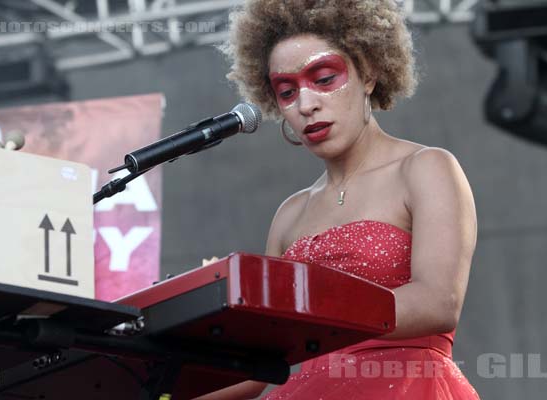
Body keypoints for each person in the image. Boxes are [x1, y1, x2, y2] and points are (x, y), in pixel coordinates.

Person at [196, 0, 479, 398]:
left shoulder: (426, 168)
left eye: (325, 78)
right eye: (287, 91)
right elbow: (260, 363)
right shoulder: (290, 213)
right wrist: (159, 384)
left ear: (370, 73)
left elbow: (438, 302)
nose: (306, 105)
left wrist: (307, 320)